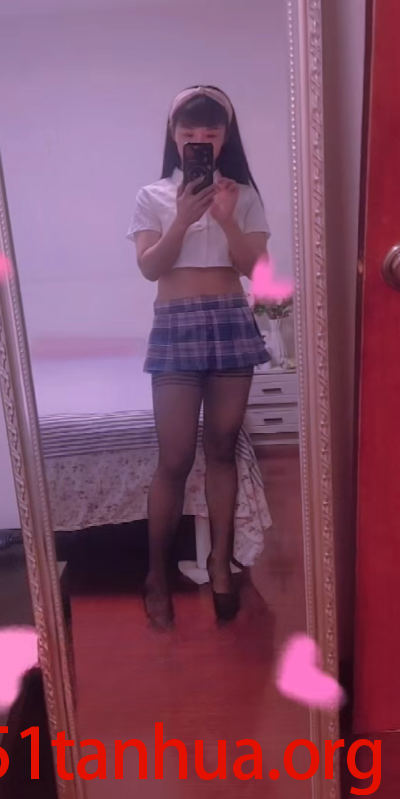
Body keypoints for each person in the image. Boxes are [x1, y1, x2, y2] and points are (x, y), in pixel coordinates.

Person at [127, 85, 271, 628]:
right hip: (176, 324)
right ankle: (156, 575)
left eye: (210, 133)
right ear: (174, 137)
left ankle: (220, 565)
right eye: (189, 133)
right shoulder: (151, 196)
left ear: (224, 138)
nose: (199, 141)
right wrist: (184, 217)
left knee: (223, 449)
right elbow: (150, 268)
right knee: (174, 457)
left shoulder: (244, 194)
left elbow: (256, 271)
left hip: (231, 319)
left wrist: (227, 217)